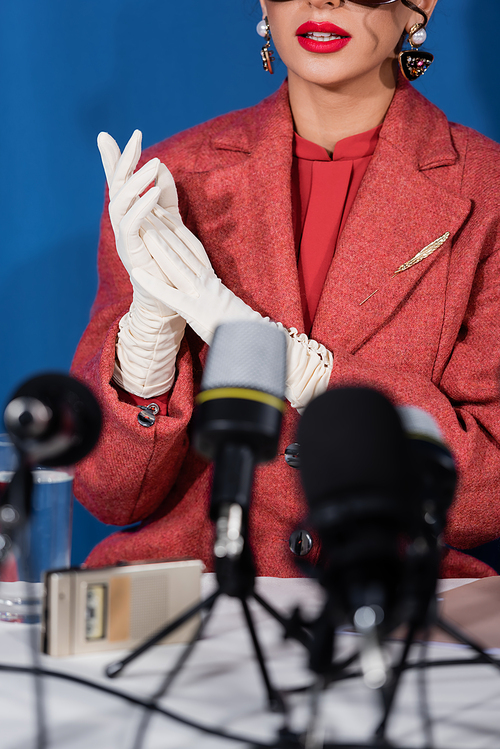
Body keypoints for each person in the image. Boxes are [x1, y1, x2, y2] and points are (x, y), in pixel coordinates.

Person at [72, 0, 500, 578]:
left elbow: (486, 494)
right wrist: (151, 334)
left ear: (419, 5)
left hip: (392, 605)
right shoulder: (169, 177)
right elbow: (107, 491)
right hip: (191, 598)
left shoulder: (486, 191)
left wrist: (307, 375)